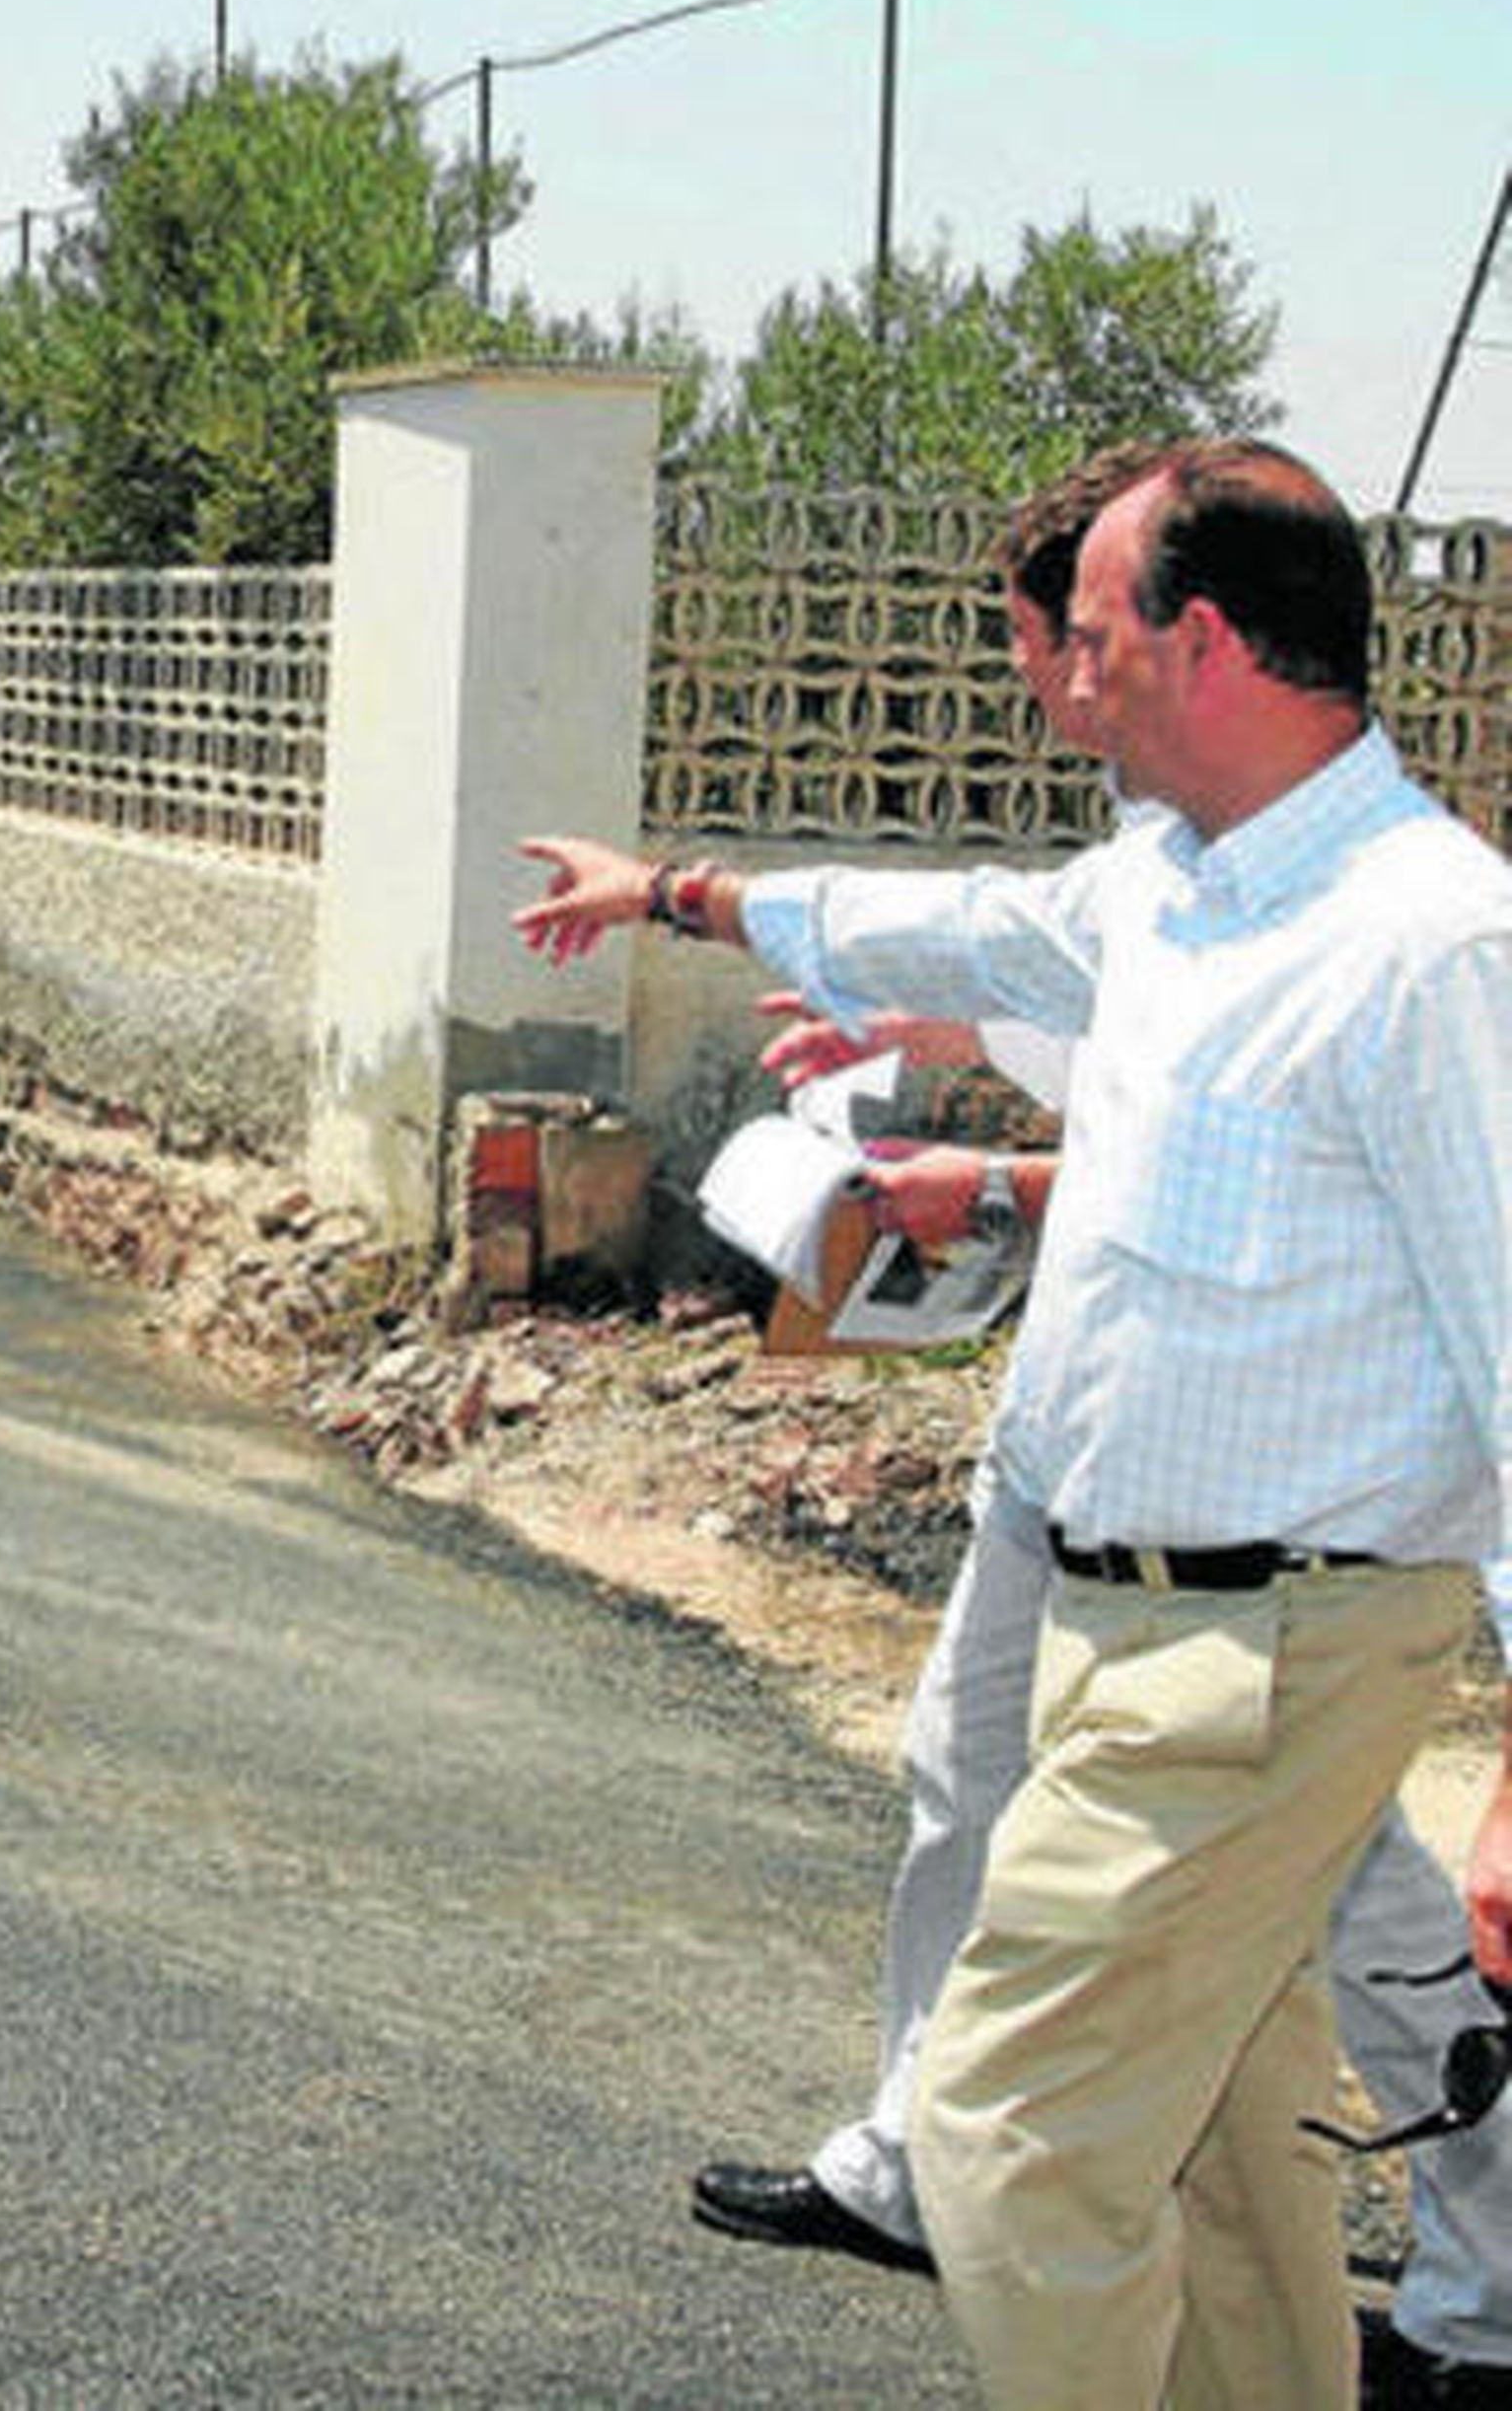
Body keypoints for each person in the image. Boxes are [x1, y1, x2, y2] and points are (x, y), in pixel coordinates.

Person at [515, 440, 1512, 2411]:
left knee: (1009, 2133)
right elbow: (954, 924)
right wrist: (688, 895)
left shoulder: (1426, 944)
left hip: (1268, 1649)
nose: (1069, 677)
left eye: (1097, 630)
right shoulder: (1170, 888)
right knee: (1216, 2160)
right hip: (1121, 1629)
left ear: (1202, 637)